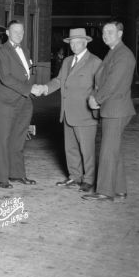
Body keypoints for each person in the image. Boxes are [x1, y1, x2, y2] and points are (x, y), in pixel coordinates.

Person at [40, 28, 101, 193]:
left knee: (87, 150)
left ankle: (88, 180)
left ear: (85, 42)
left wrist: (95, 101)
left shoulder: (95, 62)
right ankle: (75, 176)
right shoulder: (67, 61)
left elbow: (100, 87)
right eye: (71, 42)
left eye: (77, 42)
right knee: (71, 148)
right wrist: (45, 87)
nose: (74, 45)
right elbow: (59, 80)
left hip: (85, 115)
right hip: (67, 113)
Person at [83, 20, 136, 202]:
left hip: (115, 109)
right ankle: (119, 189)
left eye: (110, 32)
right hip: (114, 108)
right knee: (114, 149)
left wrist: (96, 99)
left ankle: (105, 192)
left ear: (120, 34)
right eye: (104, 32)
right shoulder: (114, 52)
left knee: (107, 150)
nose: (106, 35)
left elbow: (112, 83)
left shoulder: (123, 55)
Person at [0, 20, 41, 189]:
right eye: (15, 31)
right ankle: (2, 178)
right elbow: (6, 78)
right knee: (3, 139)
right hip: (7, 102)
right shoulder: (1, 52)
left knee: (19, 139)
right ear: (7, 32)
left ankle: (18, 174)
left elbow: (32, 69)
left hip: (25, 102)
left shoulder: (26, 50)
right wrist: (29, 89)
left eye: (21, 31)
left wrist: (34, 84)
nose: (19, 34)